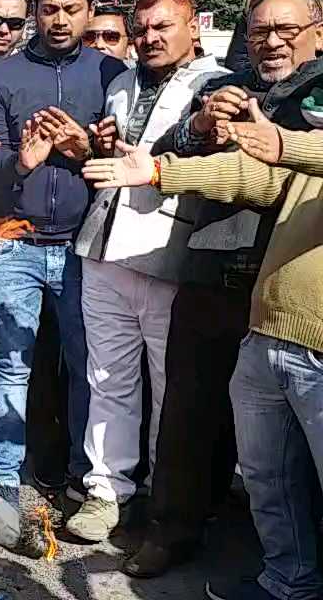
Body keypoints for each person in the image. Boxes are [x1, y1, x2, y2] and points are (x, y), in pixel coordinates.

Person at [117, 0, 323, 578]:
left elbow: (276, 170)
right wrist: (199, 130)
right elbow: (172, 147)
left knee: (286, 437)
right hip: (211, 266)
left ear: (317, 31)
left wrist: (277, 141)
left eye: (287, 30)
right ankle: (174, 527)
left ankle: (278, 553)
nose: (273, 43)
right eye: (260, 31)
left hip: (288, 282)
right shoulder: (221, 87)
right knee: (188, 408)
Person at [83, 105, 323, 600]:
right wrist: (159, 171)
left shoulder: (305, 140)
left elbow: (291, 151)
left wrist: (285, 143)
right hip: (272, 332)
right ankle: (289, 583)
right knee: (270, 481)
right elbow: (254, 177)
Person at [65, 0, 229, 544]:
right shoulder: (123, 83)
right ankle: (107, 491)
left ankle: (165, 497)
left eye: (164, 27)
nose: (150, 37)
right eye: (143, 28)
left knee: (169, 386)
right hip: (103, 249)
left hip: (167, 255)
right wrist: (95, 144)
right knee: (107, 378)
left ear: (193, 30)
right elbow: (113, 159)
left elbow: (192, 145)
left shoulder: (215, 86)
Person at [0, 0, 127, 508]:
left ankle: (91, 484)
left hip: (88, 249)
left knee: (93, 369)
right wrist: (21, 161)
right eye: (51, 9)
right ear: (35, 11)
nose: (60, 20)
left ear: (89, 11)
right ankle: (7, 482)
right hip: (15, 244)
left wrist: (91, 153)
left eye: (72, 9)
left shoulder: (113, 75)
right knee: (13, 364)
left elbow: (129, 158)